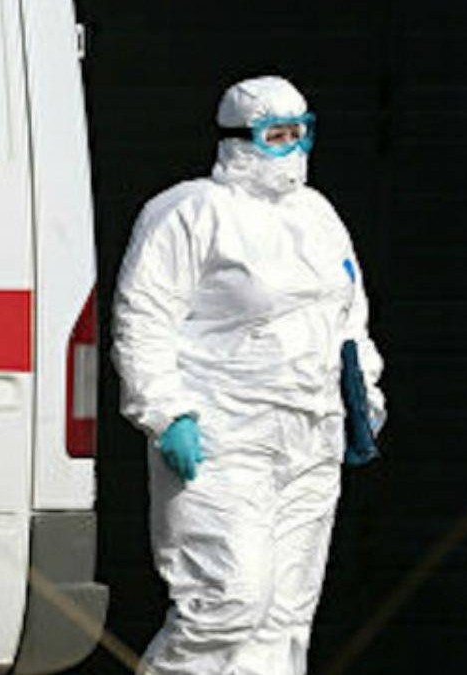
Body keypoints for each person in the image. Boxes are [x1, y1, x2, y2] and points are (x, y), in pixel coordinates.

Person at [111, 75, 387, 675]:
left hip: (311, 435)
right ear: (239, 137)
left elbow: (348, 315)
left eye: (300, 132)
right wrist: (166, 412)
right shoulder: (190, 212)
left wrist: (363, 392)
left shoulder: (317, 215)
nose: (292, 148)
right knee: (226, 605)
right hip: (225, 436)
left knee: (284, 619)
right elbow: (143, 318)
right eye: (275, 135)